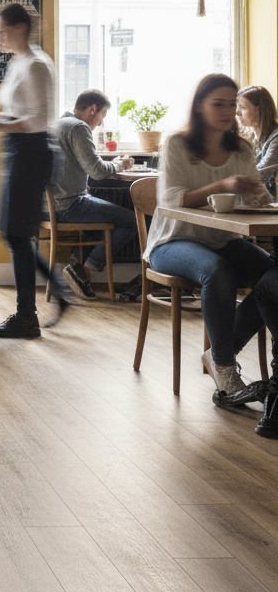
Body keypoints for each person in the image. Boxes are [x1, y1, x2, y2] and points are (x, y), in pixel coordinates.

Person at [145, 75, 278, 426]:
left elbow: (258, 199)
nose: (227, 111)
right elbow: (170, 200)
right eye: (218, 103)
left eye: (232, 103)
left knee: (272, 278)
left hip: (224, 239)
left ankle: (219, 352)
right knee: (217, 272)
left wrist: (261, 198)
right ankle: (224, 367)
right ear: (200, 105)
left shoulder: (243, 148)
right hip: (172, 241)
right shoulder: (177, 144)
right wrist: (222, 185)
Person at [0, 3, 68, 338]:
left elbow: (38, 121)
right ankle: (57, 288)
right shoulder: (19, 62)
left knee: (15, 233)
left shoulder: (38, 65)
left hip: (33, 152)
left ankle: (27, 316)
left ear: (20, 28)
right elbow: (17, 113)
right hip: (18, 151)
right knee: (12, 231)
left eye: (1, 31)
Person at [51, 88, 138, 301]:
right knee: (132, 220)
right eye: (102, 116)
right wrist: (119, 163)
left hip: (50, 206)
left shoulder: (56, 125)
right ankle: (84, 270)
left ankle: (77, 266)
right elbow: (97, 171)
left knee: (98, 214)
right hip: (68, 206)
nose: (100, 123)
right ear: (93, 109)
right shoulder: (78, 127)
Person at [236, 84, 278, 198]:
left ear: (259, 110)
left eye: (243, 108)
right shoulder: (248, 139)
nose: (237, 112)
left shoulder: (276, 138)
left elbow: (259, 175)